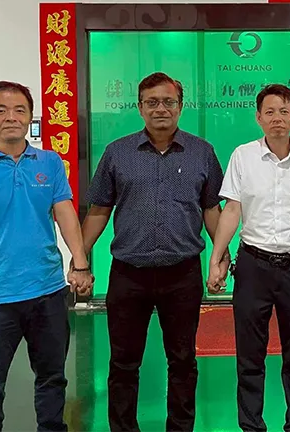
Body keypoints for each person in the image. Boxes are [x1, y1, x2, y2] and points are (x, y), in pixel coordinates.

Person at [81, 72, 228, 432]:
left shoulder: (202, 152)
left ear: (180, 106)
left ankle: (180, 427)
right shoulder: (117, 153)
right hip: (128, 274)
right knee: (123, 362)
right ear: (140, 107)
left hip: (183, 274)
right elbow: (99, 209)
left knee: (183, 360)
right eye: (152, 102)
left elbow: (212, 209)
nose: (160, 108)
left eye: (168, 102)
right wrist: (80, 260)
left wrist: (221, 257)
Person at [0, 81, 92, 432]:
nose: (10, 117)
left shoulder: (50, 163)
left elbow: (65, 212)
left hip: (47, 292)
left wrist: (81, 262)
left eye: (19, 110)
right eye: (1, 110)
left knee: (52, 378)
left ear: (30, 117)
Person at [207, 84, 290, 432]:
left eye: (284, 111)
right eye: (269, 112)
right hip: (253, 266)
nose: (277, 118)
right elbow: (232, 209)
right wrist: (216, 257)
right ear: (258, 118)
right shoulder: (243, 156)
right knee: (249, 354)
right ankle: (251, 424)